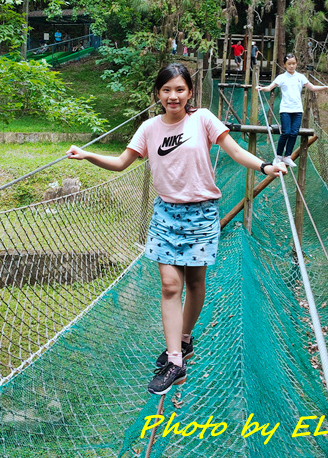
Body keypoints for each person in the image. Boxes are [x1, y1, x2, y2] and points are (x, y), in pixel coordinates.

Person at [67, 64, 286, 395]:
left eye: (180, 89)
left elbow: (237, 151)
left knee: (196, 283)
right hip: (166, 215)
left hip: (201, 214)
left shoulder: (203, 120)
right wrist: (87, 155)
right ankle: (175, 362)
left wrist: (267, 165)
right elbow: (121, 162)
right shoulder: (149, 129)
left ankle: (184, 341)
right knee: (170, 285)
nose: (173, 96)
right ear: (158, 93)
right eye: (167, 90)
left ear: (190, 92)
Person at [257, 53, 328, 168]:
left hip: (297, 110)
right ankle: (278, 156)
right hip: (285, 110)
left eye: (293, 63)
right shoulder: (281, 77)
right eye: (289, 64)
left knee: (294, 133)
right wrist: (262, 88)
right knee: (286, 132)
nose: (291, 66)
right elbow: (269, 87)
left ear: (296, 64)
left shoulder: (301, 77)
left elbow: (312, 87)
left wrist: (326, 87)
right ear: (284, 65)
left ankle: (287, 156)